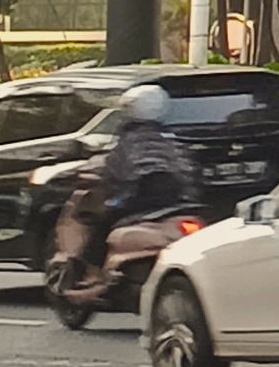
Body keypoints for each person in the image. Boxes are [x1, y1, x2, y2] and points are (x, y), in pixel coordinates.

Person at [54, 82, 197, 293]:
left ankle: (93, 273)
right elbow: (191, 170)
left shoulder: (128, 141)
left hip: (136, 202)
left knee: (98, 222)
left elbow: (112, 172)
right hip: (182, 202)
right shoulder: (172, 138)